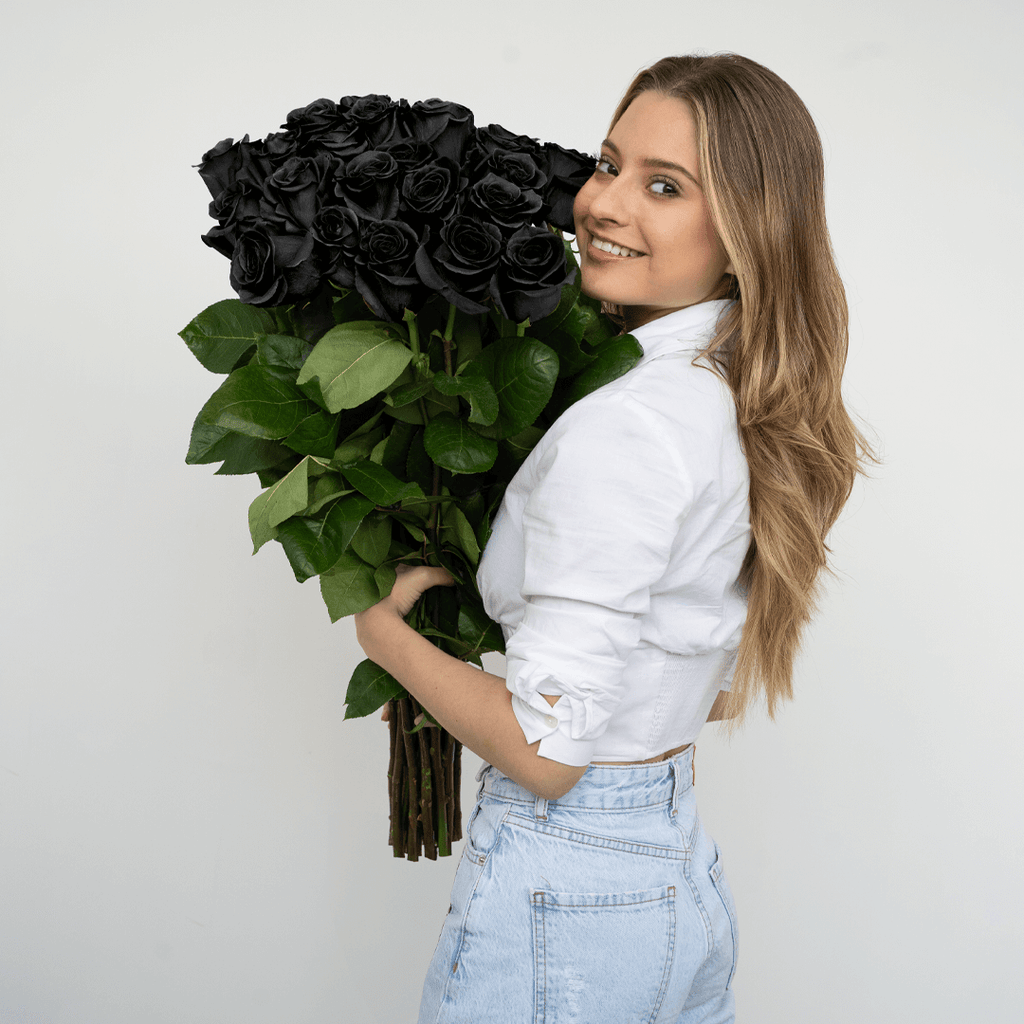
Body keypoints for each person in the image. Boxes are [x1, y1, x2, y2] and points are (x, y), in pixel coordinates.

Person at [354, 52, 872, 1023]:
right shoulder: (733, 397)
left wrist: (384, 637)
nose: (601, 202)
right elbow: (691, 682)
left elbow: (548, 753)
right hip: (675, 872)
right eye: (607, 162)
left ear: (743, 232)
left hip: (568, 890)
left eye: (664, 185)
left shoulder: (629, 427)